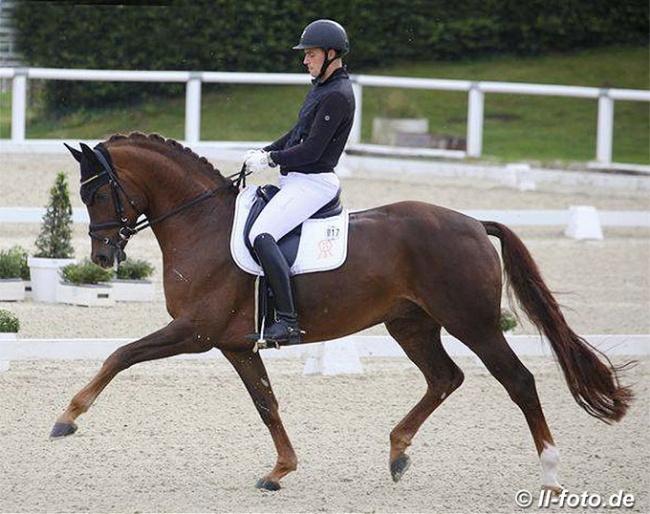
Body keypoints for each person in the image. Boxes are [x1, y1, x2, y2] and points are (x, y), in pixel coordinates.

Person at [243, 19, 356, 345]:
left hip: (314, 182)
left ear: (331, 54)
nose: (305, 60)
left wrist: (271, 160)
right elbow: (296, 135)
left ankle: (288, 322)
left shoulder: (337, 95)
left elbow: (311, 150)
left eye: (310, 54)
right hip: (296, 180)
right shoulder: (321, 88)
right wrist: (265, 150)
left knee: (262, 235)